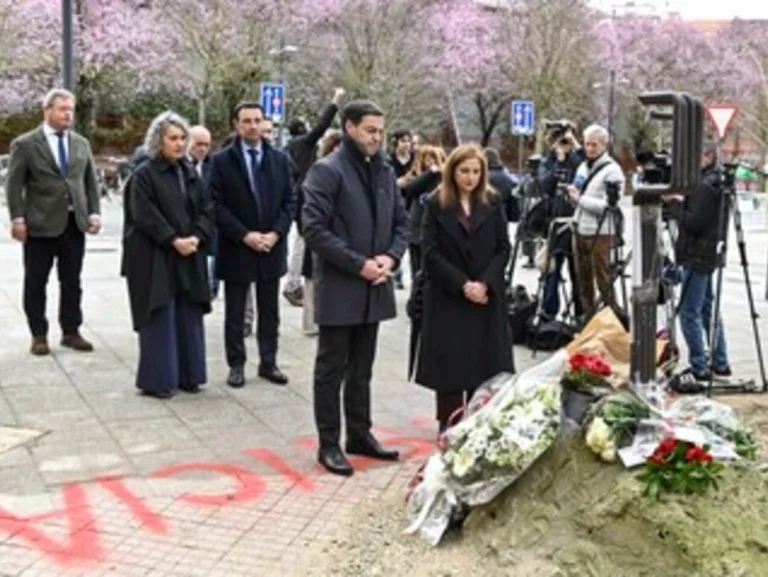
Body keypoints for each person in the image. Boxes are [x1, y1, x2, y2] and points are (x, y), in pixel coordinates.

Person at [302, 100, 409, 476]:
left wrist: (391, 259)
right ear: (349, 128)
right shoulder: (326, 171)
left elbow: (402, 222)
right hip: (341, 286)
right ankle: (328, 443)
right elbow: (314, 229)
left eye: (380, 131)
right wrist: (358, 264)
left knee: (362, 368)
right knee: (331, 368)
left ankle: (360, 434)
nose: (377, 137)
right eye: (370, 130)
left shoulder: (383, 171)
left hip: (375, 284)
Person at [415, 145, 513, 433]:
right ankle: (449, 423)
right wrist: (462, 284)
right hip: (449, 296)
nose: (470, 178)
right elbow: (429, 251)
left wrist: (485, 282)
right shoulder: (436, 203)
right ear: (452, 172)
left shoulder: (492, 202)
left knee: (485, 363)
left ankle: (479, 420)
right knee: (451, 366)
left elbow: (503, 248)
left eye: (475, 171)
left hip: (485, 295)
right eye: (464, 171)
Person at [121, 112, 214, 399]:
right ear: (157, 141)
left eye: (182, 138)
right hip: (154, 256)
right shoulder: (144, 174)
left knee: (188, 314)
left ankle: (189, 375)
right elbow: (144, 214)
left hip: (188, 253)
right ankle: (158, 379)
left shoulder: (189, 172)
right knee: (160, 315)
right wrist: (173, 239)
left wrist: (197, 236)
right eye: (172, 138)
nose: (179, 143)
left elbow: (206, 209)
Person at [4, 88, 101, 356]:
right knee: (36, 282)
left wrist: (94, 212)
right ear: (47, 110)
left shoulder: (81, 143)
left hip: (73, 224)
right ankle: (39, 334)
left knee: (72, 281)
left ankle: (71, 331)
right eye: (62, 109)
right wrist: (17, 218)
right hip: (40, 225)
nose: (68, 114)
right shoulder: (26, 144)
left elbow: (90, 181)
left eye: (71, 109)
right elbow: (13, 185)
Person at [208, 102, 297, 388]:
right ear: (237, 124)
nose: (253, 126)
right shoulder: (221, 161)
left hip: (271, 246)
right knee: (235, 312)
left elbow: (290, 200)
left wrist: (276, 233)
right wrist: (245, 235)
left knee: (269, 311)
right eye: (247, 121)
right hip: (237, 247)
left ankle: (268, 362)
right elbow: (215, 204)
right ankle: (236, 364)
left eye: (258, 120)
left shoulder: (280, 160)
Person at [663, 143, 731, 389]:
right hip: (707, 254)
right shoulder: (716, 181)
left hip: (696, 255)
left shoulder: (704, 186)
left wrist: (674, 203)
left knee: (689, 312)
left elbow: (693, 223)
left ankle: (699, 365)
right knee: (706, 309)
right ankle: (720, 361)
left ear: (707, 156)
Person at [283, 88, 346, 307]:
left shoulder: (288, 147)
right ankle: (292, 284)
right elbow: (322, 126)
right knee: (303, 241)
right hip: (305, 194)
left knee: (301, 241)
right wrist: (334, 103)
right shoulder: (304, 144)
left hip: (296, 194)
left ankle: (292, 282)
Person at [567, 124, 625, 318]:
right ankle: (588, 320)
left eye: (594, 145)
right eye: (587, 144)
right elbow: (577, 189)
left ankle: (613, 322)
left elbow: (609, 207)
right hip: (579, 229)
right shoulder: (583, 166)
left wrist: (579, 199)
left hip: (601, 233)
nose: (590, 149)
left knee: (603, 281)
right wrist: (571, 194)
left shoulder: (613, 171)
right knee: (582, 280)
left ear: (604, 145)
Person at [299, 130, 343, 337]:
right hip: (318, 236)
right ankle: (311, 323)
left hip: (339, 240)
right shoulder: (318, 172)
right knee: (312, 280)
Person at [537, 125, 584, 320]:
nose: (563, 145)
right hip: (555, 223)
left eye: (565, 140)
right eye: (559, 141)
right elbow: (545, 186)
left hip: (576, 222)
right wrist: (558, 160)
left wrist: (575, 149)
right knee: (552, 271)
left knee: (578, 272)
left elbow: (586, 174)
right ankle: (549, 312)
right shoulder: (549, 160)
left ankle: (581, 312)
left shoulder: (579, 159)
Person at [401, 145, 444, 280]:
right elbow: (410, 190)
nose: (430, 163)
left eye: (433, 159)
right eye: (427, 159)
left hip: (434, 229)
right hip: (416, 228)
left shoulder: (441, 177)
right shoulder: (415, 176)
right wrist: (429, 173)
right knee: (417, 268)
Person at [187, 125, 216, 298]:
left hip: (206, 229)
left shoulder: (211, 166)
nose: (203, 149)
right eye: (198, 144)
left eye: (206, 145)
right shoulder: (181, 167)